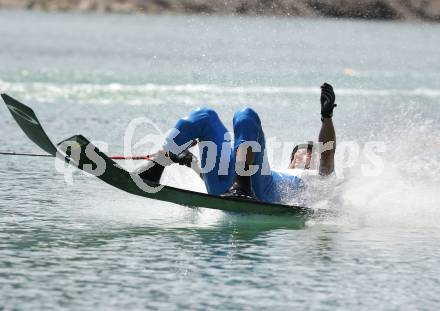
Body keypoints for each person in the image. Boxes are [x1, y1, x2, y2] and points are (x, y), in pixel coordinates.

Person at [136, 83, 337, 204]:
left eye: (311, 154)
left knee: (246, 115)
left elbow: (327, 154)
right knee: (205, 115)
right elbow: (207, 177)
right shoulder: (277, 171)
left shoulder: (316, 180)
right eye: (301, 152)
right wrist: (190, 161)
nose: (306, 155)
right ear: (291, 160)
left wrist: (326, 117)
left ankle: (242, 188)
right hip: (225, 187)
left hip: (262, 193)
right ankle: (155, 167)